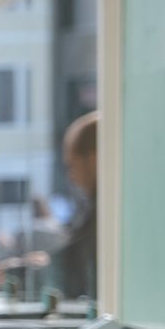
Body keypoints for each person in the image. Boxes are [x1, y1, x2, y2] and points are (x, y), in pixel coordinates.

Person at [54, 111, 99, 299]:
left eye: (73, 165)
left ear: (95, 158)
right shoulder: (93, 206)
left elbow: (72, 264)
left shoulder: (106, 212)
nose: (71, 177)